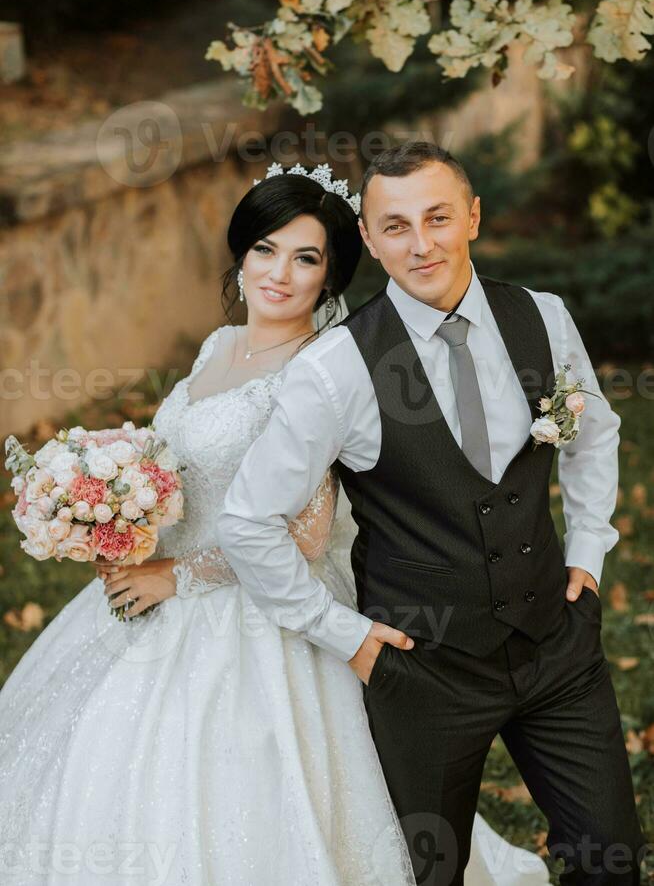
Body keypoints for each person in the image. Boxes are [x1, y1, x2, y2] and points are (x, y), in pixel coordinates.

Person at [0, 164, 549, 885]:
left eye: (307, 257)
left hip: (251, 611)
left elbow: (308, 536)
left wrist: (177, 577)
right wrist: (116, 515)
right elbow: (184, 471)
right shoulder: (217, 347)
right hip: (150, 586)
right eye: (265, 248)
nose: (280, 273)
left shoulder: (320, 372)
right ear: (241, 253)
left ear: (331, 276)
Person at [217, 144, 646, 886]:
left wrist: (588, 553)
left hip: (556, 645)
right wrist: (345, 638)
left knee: (611, 857)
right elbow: (248, 520)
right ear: (371, 238)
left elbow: (595, 430)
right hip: (422, 670)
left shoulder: (542, 318)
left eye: (439, 217)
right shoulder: (337, 368)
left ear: (472, 217)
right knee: (426, 875)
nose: (422, 244)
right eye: (396, 226)